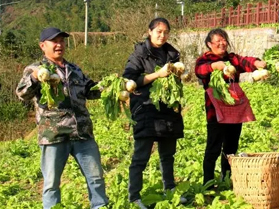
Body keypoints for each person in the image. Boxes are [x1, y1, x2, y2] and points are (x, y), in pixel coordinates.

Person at [16, 27, 109, 209]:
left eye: (62, 41)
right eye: (54, 41)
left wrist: (111, 87)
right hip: (54, 135)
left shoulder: (74, 69)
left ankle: (100, 206)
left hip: (82, 133)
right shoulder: (35, 69)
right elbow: (22, 93)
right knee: (51, 184)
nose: (59, 45)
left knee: (96, 178)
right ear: (43, 46)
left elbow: (90, 90)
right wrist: (35, 77)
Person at [123, 17, 187, 209]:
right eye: (158, 31)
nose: (162, 35)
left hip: (168, 109)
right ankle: (134, 197)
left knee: (168, 155)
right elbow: (130, 80)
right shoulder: (139, 54)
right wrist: (157, 75)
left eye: (166, 32)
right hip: (146, 109)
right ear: (149, 31)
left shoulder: (171, 53)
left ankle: (170, 190)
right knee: (141, 156)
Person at [194, 28, 266, 188]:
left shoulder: (232, 59)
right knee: (213, 146)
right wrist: (214, 66)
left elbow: (245, 62)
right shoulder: (204, 60)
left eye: (224, 40)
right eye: (218, 41)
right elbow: (199, 72)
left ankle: (227, 179)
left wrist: (256, 63)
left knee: (231, 147)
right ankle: (208, 183)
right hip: (215, 111)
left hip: (234, 108)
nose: (222, 43)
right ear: (209, 44)